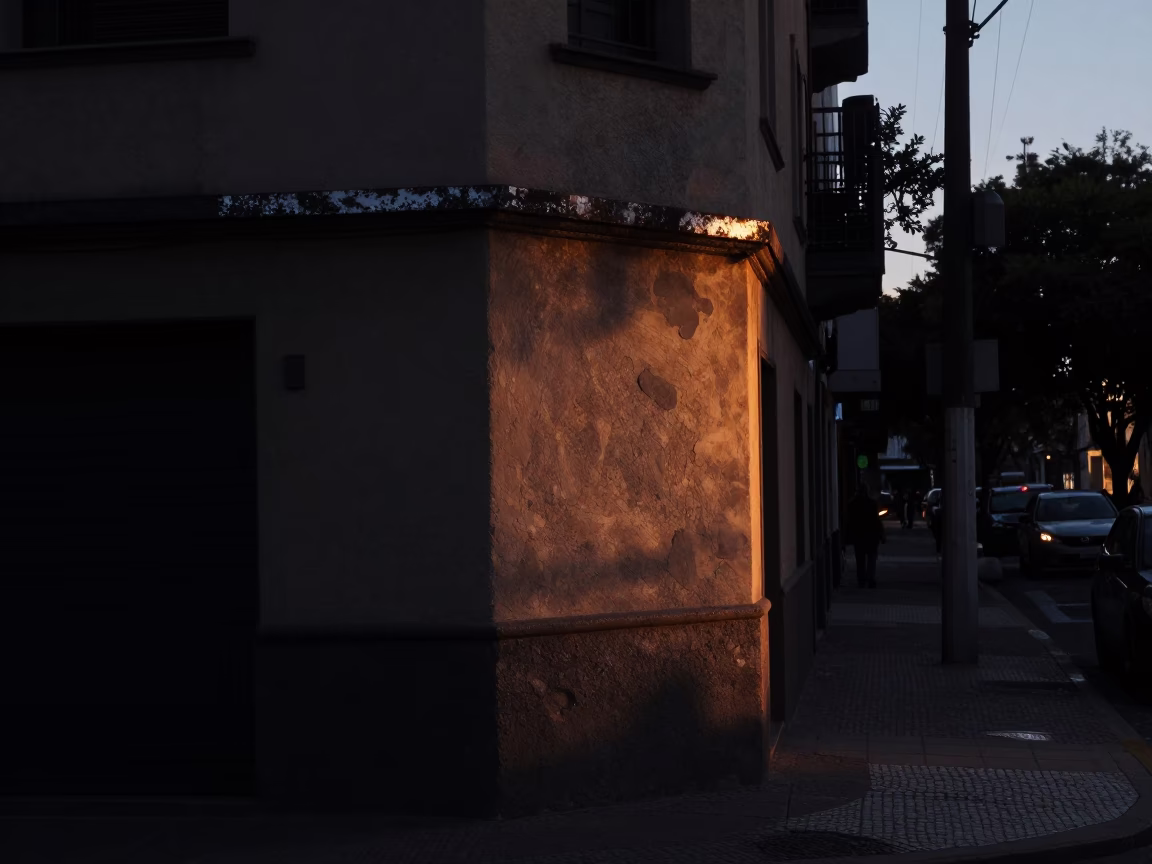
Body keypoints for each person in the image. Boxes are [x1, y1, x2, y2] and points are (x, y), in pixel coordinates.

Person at [846, 483, 886, 588]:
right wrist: (881, 534)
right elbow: (876, 520)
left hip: (859, 535)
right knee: (871, 558)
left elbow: (849, 521)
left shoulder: (852, 504)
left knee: (860, 559)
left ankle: (861, 580)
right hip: (871, 535)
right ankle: (870, 578)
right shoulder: (872, 503)